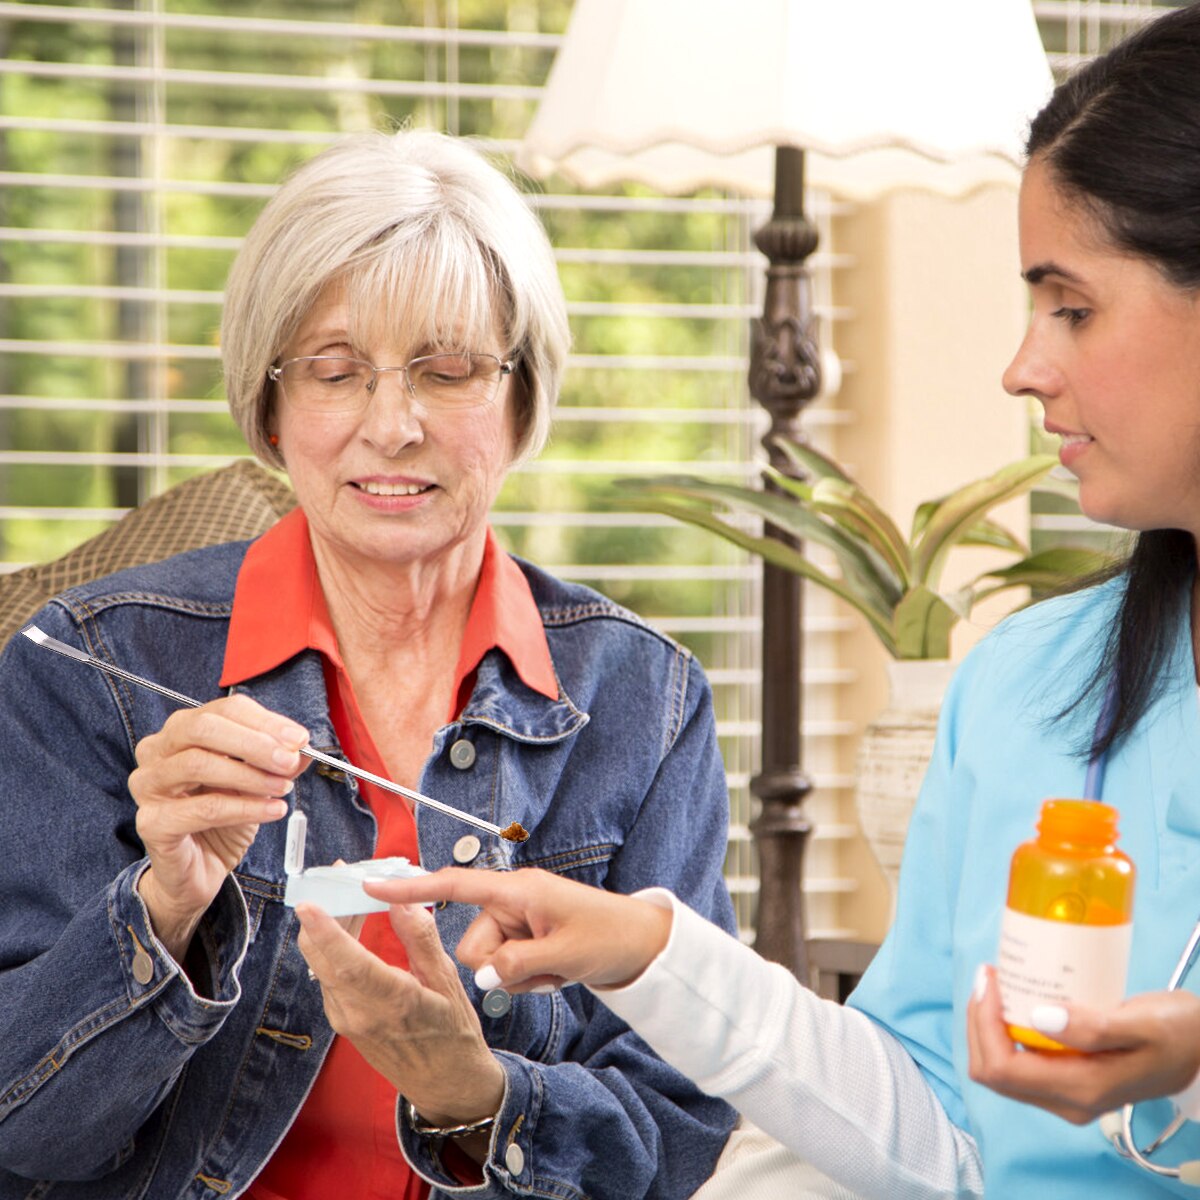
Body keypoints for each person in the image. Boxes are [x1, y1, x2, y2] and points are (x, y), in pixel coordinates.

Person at [367, 7, 1200, 1196]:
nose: (1023, 365)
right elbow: (932, 1130)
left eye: (1072, 305)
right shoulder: (1024, 689)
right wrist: (651, 954)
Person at [0, 130, 737, 1199]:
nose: (392, 427)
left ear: (524, 399)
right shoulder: (90, 668)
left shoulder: (645, 703)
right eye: (336, 372)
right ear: (271, 403)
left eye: (448, 371)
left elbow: (675, 1129)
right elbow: (22, 1131)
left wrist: (474, 1096)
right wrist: (161, 911)